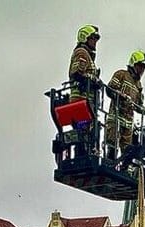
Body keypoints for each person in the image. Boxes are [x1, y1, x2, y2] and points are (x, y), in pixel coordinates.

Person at [104, 50, 145, 162]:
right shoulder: (121, 74)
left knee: (127, 152)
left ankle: (124, 169)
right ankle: (110, 163)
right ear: (133, 64)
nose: (142, 70)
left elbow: (138, 106)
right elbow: (109, 90)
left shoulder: (138, 86)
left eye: (143, 68)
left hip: (128, 124)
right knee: (112, 146)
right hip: (116, 118)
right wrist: (120, 96)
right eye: (140, 66)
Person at [67, 24, 101, 156]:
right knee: (83, 130)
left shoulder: (88, 55)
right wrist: (94, 79)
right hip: (80, 100)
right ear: (84, 38)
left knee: (87, 130)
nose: (95, 42)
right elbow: (76, 73)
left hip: (86, 101)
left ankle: (86, 152)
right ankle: (82, 154)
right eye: (93, 38)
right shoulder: (82, 52)